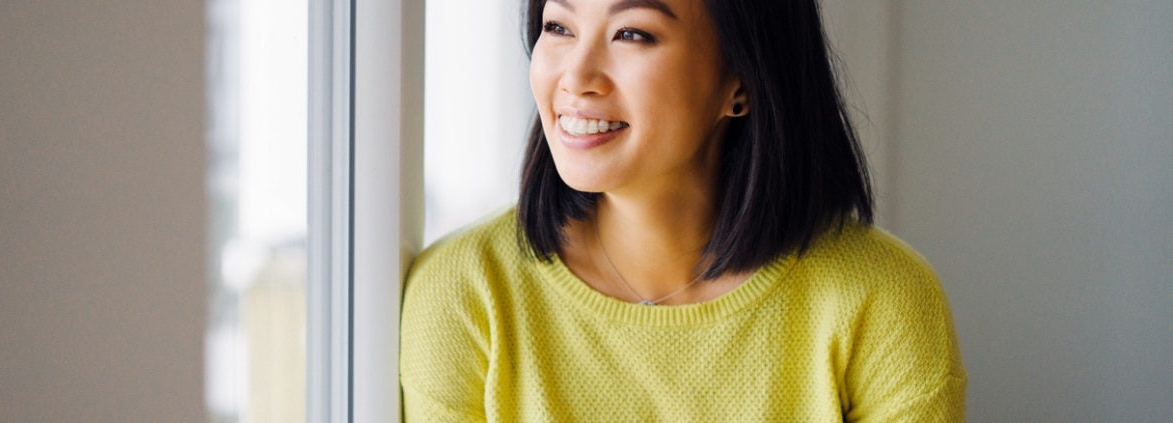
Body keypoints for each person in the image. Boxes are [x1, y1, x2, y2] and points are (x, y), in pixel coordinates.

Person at [400, 0, 966, 420]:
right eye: (558, 27)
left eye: (632, 34)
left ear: (741, 79)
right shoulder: (466, 293)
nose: (576, 77)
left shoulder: (882, 301)